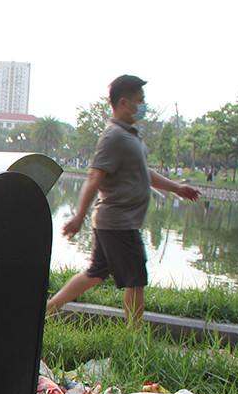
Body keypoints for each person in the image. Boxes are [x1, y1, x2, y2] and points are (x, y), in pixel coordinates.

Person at [45, 75, 200, 324]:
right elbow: (95, 176)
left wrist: (177, 188)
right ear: (124, 103)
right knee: (136, 279)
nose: (144, 105)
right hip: (119, 221)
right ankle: (135, 338)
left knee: (96, 273)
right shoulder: (113, 137)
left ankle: (48, 311)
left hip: (117, 222)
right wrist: (78, 216)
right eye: (140, 101)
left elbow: (144, 172)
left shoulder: (130, 135)